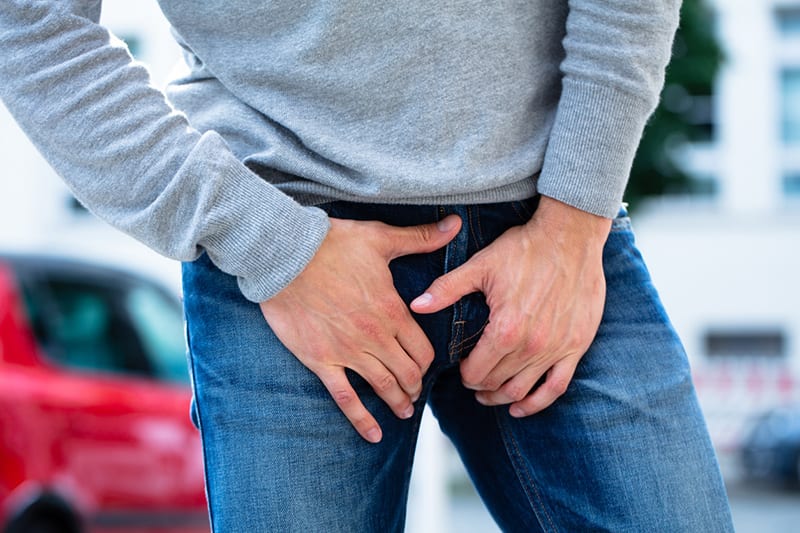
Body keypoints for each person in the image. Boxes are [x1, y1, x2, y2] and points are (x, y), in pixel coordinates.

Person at [1, 1, 734, 531]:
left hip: (554, 234)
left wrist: (575, 219)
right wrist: (268, 245)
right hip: (286, 254)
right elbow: (32, 25)